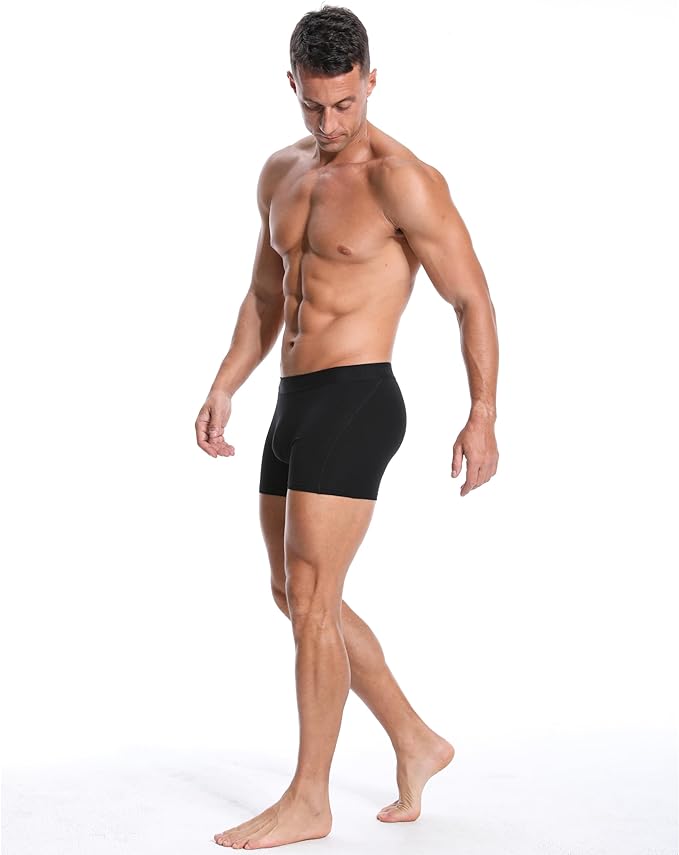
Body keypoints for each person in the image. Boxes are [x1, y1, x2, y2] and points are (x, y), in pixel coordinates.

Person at [195, 5, 499, 849]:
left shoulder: (402, 180)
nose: (329, 124)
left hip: (358, 397)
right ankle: (415, 738)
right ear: (291, 82)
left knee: (311, 597)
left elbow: (470, 297)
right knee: (293, 593)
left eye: (344, 104)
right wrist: (225, 383)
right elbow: (267, 294)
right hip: (292, 400)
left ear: (371, 80)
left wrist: (480, 413)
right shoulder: (281, 172)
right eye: (313, 105)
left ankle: (309, 799)